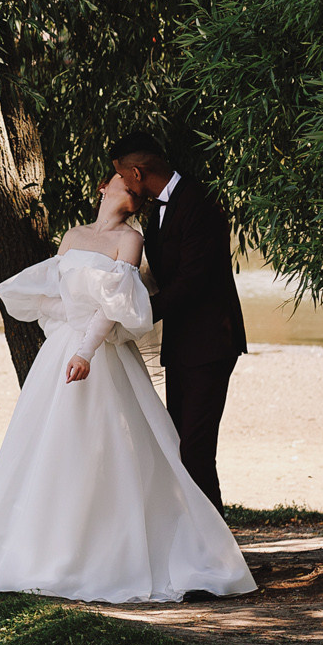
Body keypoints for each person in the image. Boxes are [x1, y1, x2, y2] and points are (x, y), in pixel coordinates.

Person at [0, 167, 254, 604]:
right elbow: (55, 293)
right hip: (62, 350)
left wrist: (86, 349)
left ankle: (121, 553)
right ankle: (43, 550)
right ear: (104, 185)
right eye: (123, 178)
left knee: (117, 447)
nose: (133, 187)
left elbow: (116, 302)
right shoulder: (72, 236)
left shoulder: (131, 239)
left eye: (137, 186)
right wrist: (70, 324)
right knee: (52, 445)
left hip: (101, 353)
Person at [110, 131, 247, 511]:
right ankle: (194, 534)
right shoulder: (157, 209)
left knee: (196, 449)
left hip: (210, 343)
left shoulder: (199, 202)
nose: (122, 183)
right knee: (179, 443)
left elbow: (191, 280)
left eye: (121, 175)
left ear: (137, 172)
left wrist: (138, 315)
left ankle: (214, 542)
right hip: (183, 344)